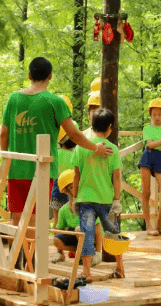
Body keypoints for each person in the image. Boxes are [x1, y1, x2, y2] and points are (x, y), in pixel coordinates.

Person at [0, 57, 113, 245]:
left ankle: (17, 265)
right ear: (50, 76)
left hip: (16, 169)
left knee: (17, 218)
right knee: (34, 219)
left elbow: (3, 134)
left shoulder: (14, 99)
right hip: (41, 171)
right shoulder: (55, 102)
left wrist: (5, 160)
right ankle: (31, 267)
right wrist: (96, 147)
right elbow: (74, 134)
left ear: (29, 75)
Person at [72, 108, 124, 280]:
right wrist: (117, 199)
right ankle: (120, 266)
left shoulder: (81, 147)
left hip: (85, 198)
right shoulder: (113, 150)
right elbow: (116, 177)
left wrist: (73, 197)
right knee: (113, 232)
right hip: (106, 199)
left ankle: (86, 271)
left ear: (92, 125)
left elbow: (75, 175)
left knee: (86, 234)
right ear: (110, 127)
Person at [137, 98, 161, 236]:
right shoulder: (147, 128)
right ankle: (149, 225)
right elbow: (150, 145)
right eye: (154, 114)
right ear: (150, 115)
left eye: (159, 114)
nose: (157, 117)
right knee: (146, 193)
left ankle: (159, 225)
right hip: (148, 156)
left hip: (160, 158)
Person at [50, 169, 102, 266]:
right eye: (72, 187)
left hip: (91, 238)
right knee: (56, 240)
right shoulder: (63, 210)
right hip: (77, 238)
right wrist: (59, 252)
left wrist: (99, 251)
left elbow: (98, 227)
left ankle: (91, 253)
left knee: (79, 229)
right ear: (66, 190)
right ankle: (82, 255)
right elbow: (60, 230)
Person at [50, 95, 75, 228]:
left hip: (60, 183)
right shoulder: (75, 153)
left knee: (58, 218)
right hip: (68, 184)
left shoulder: (56, 151)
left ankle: (57, 236)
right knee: (70, 215)